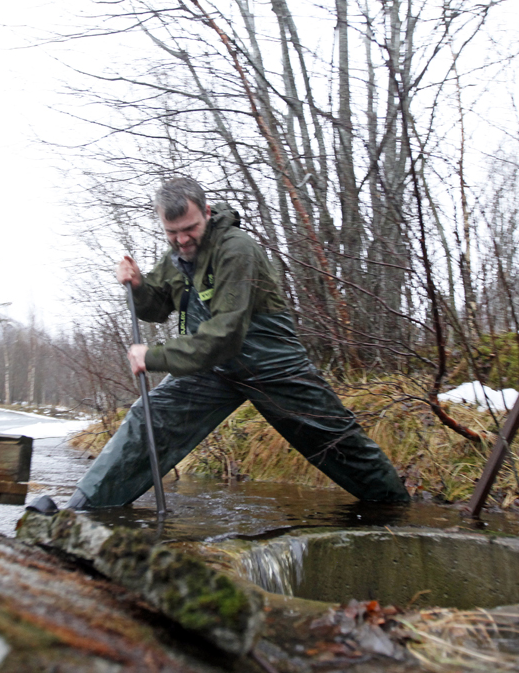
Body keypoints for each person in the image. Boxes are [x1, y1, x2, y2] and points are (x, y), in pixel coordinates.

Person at [65, 177, 409, 510]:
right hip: (212, 371)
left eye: (190, 229)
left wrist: (154, 356)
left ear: (207, 212)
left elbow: (226, 334)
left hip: (273, 366)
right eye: (172, 233)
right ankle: (80, 510)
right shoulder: (176, 257)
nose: (182, 240)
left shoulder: (235, 248)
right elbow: (155, 308)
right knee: (149, 418)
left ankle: (398, 511)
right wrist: (138, 286)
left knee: (337, 439)